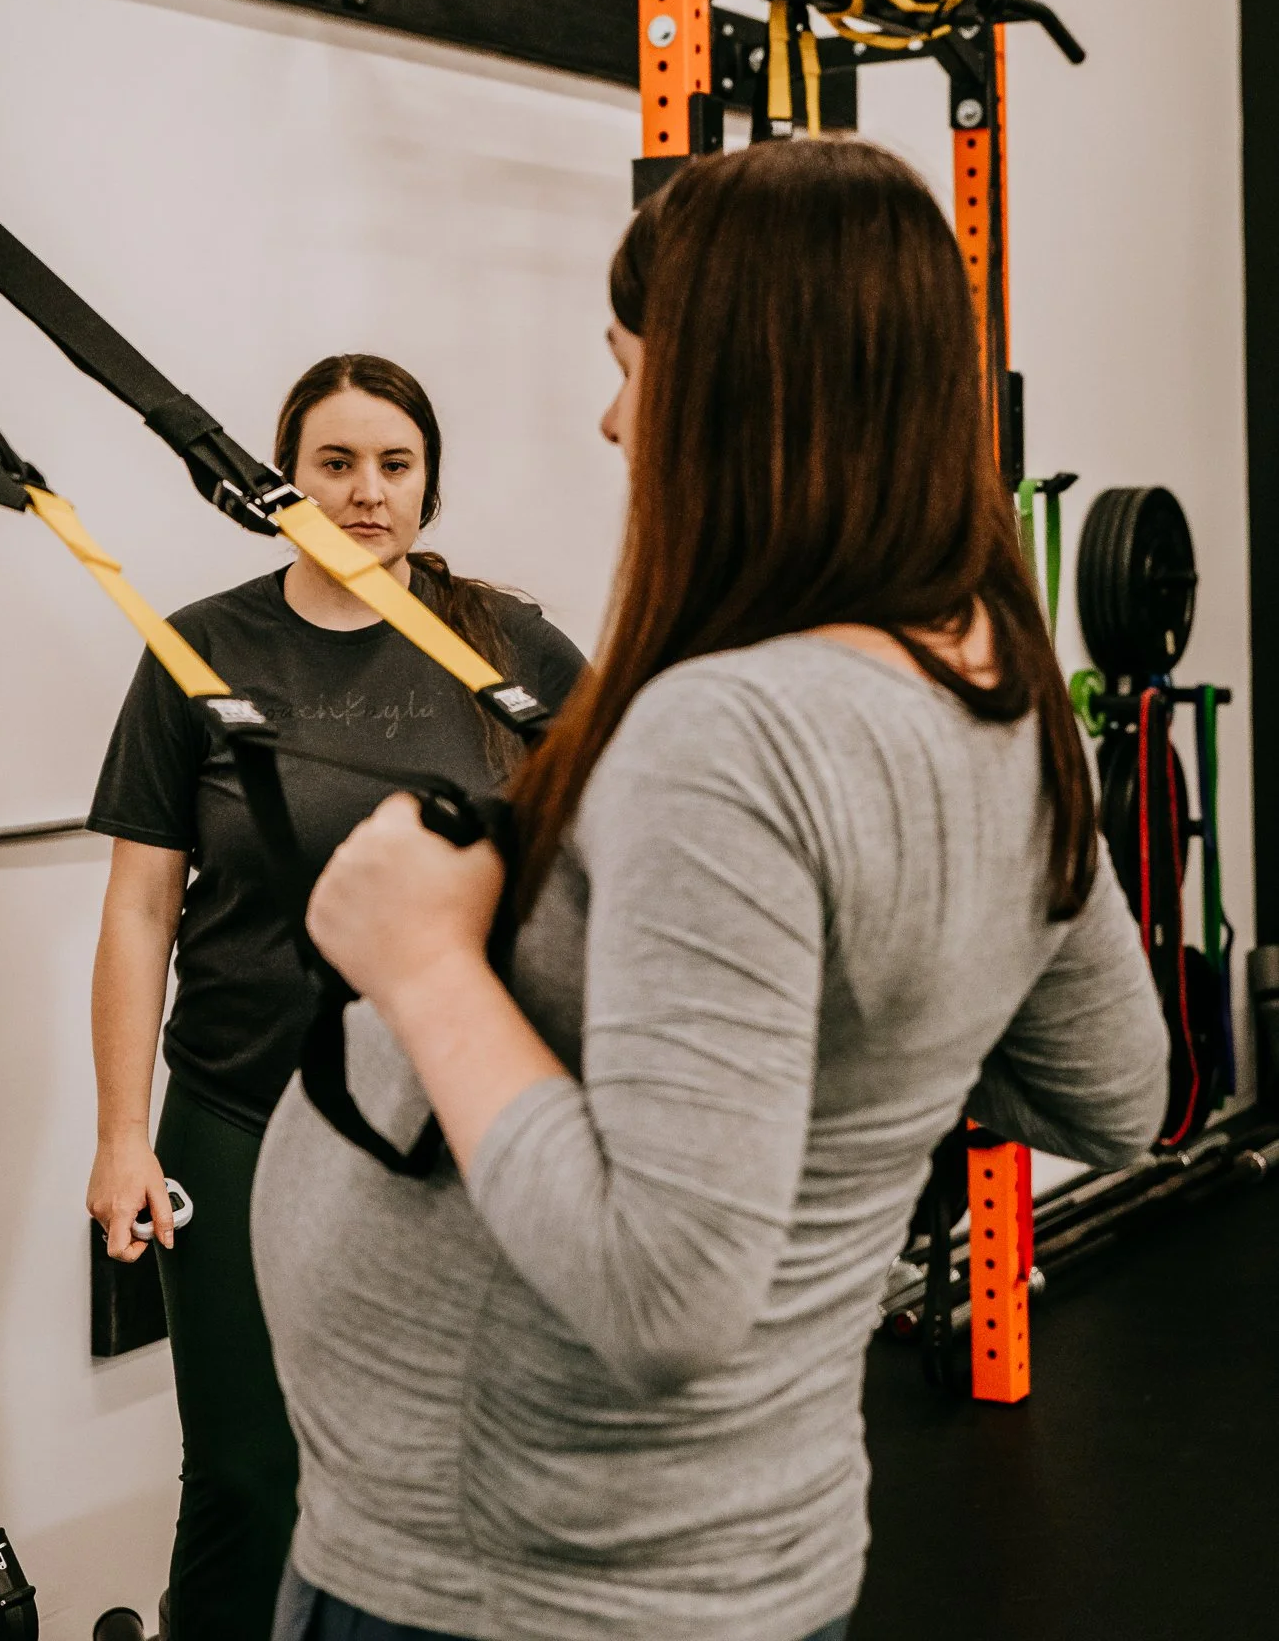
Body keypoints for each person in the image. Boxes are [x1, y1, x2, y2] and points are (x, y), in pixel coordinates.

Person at [253, 141, 1170, 1641]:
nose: (615, 421)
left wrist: (424, 967)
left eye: (633, 368)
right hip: (715, 1544)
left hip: (510, 1573)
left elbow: (664, 1292)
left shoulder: (726, 737)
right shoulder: (999, 694)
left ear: (740, 396)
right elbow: (1118, 1093)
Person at [84, 352, 586, 1641]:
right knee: (251, 1481)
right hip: (240, 1113)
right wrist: (122, 1134)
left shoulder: (503, 645)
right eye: (335, 462)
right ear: (280, 480)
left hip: (444, 1123)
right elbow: (142, 908)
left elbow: (606, 843)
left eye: (395, 465)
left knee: (435, 1480)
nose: (366, 492)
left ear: (430, 485)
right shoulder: (199, 645)